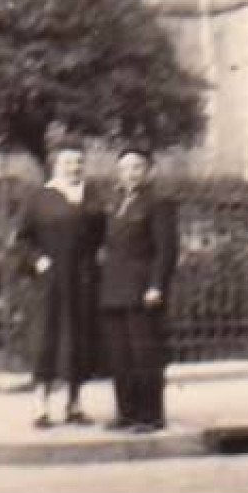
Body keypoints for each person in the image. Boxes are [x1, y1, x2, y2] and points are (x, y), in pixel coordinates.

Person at [16, 138, 106, 428]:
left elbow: (103, 236)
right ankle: (41, 406)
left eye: (79, 162)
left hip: (82, 279)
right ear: (56, 164)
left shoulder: (92, 195)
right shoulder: (40, 197)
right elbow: (22, 239)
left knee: (79, 340)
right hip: (51, 281)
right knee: (46, 338)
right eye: (68, 162)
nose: (74, 167)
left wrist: (98, 261)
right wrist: (38, 261)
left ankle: (74, 404)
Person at [98, 147, 179, 433]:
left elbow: (166, 250)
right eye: (124, 168)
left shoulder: (159, 203)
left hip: (143, 290)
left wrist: (157, 285)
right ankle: (126, 413)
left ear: (148, 170)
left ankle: (151, 416)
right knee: (119, 355)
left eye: (136, 167)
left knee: (145, 355)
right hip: (113, 289)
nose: (130, 173)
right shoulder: (114, 200)